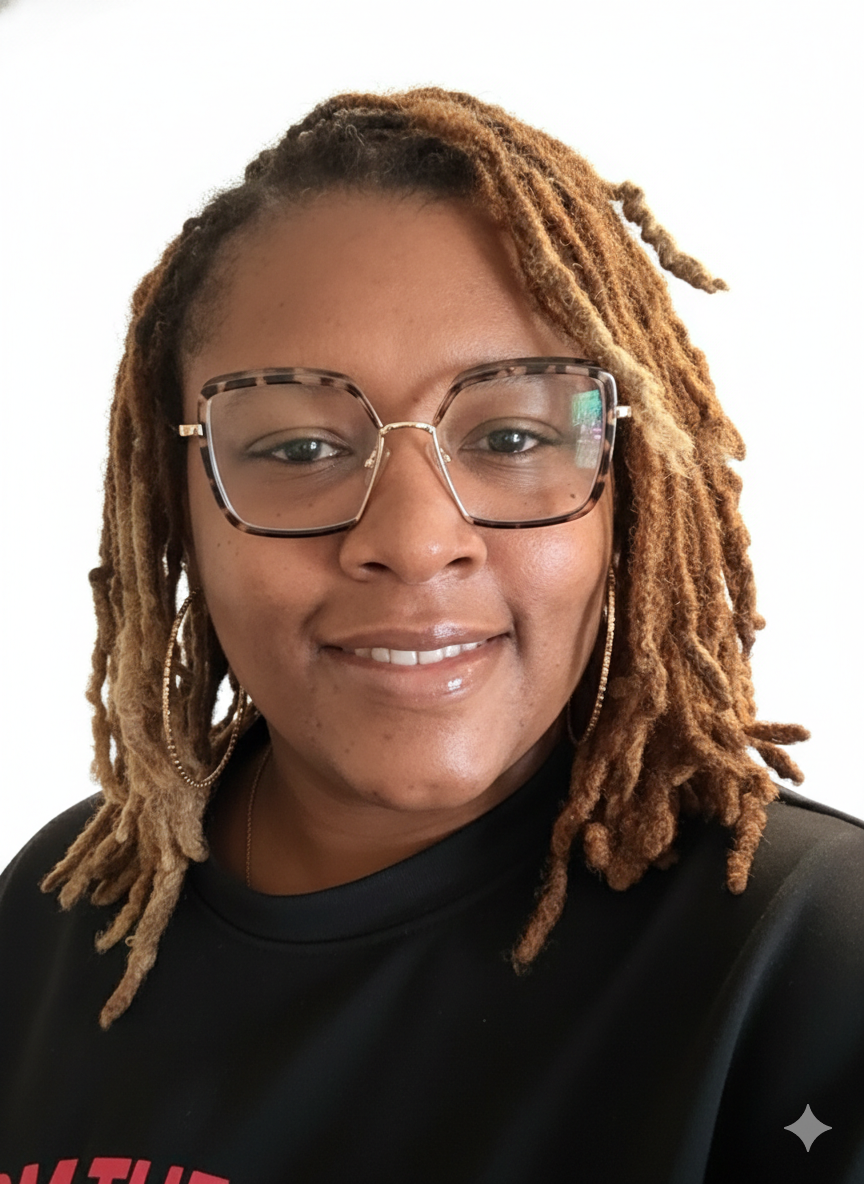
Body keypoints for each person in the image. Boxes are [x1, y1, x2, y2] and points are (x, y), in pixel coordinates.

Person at [0, 88, 861, 1184]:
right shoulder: (61, 908)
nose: (413, 542)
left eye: (510, 432)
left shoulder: (810, 957)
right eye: (302, 448)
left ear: (630, 492)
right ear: (178, 504)